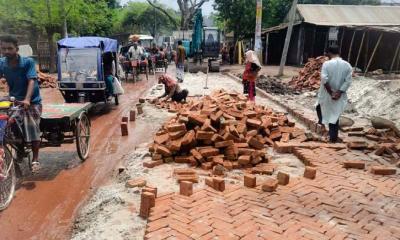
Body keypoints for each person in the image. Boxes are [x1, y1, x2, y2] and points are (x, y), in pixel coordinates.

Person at [0, 35, 42, 173]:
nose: (6, 51)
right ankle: (17, 149)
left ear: (16, 49)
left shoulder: (27, 62)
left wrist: (28, 100)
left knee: (31, 126)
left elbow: (31, 80)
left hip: (31, 101)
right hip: (14, 99)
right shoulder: (2, 63)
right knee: (6, 125)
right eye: (4, 48)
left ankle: (35, 159)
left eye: (10, 48)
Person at [316, 46, 352, 143]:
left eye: (327, 53)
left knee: (319, 107)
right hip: (339, 95)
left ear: (329, 53)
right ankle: (332, 138)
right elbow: (348, 81)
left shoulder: (326, 64)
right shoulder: (347, 65)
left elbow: (324, 79)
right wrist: (339, 92)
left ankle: (324, 127)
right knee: (335, 116)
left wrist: (331, 93)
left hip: (326, 93)